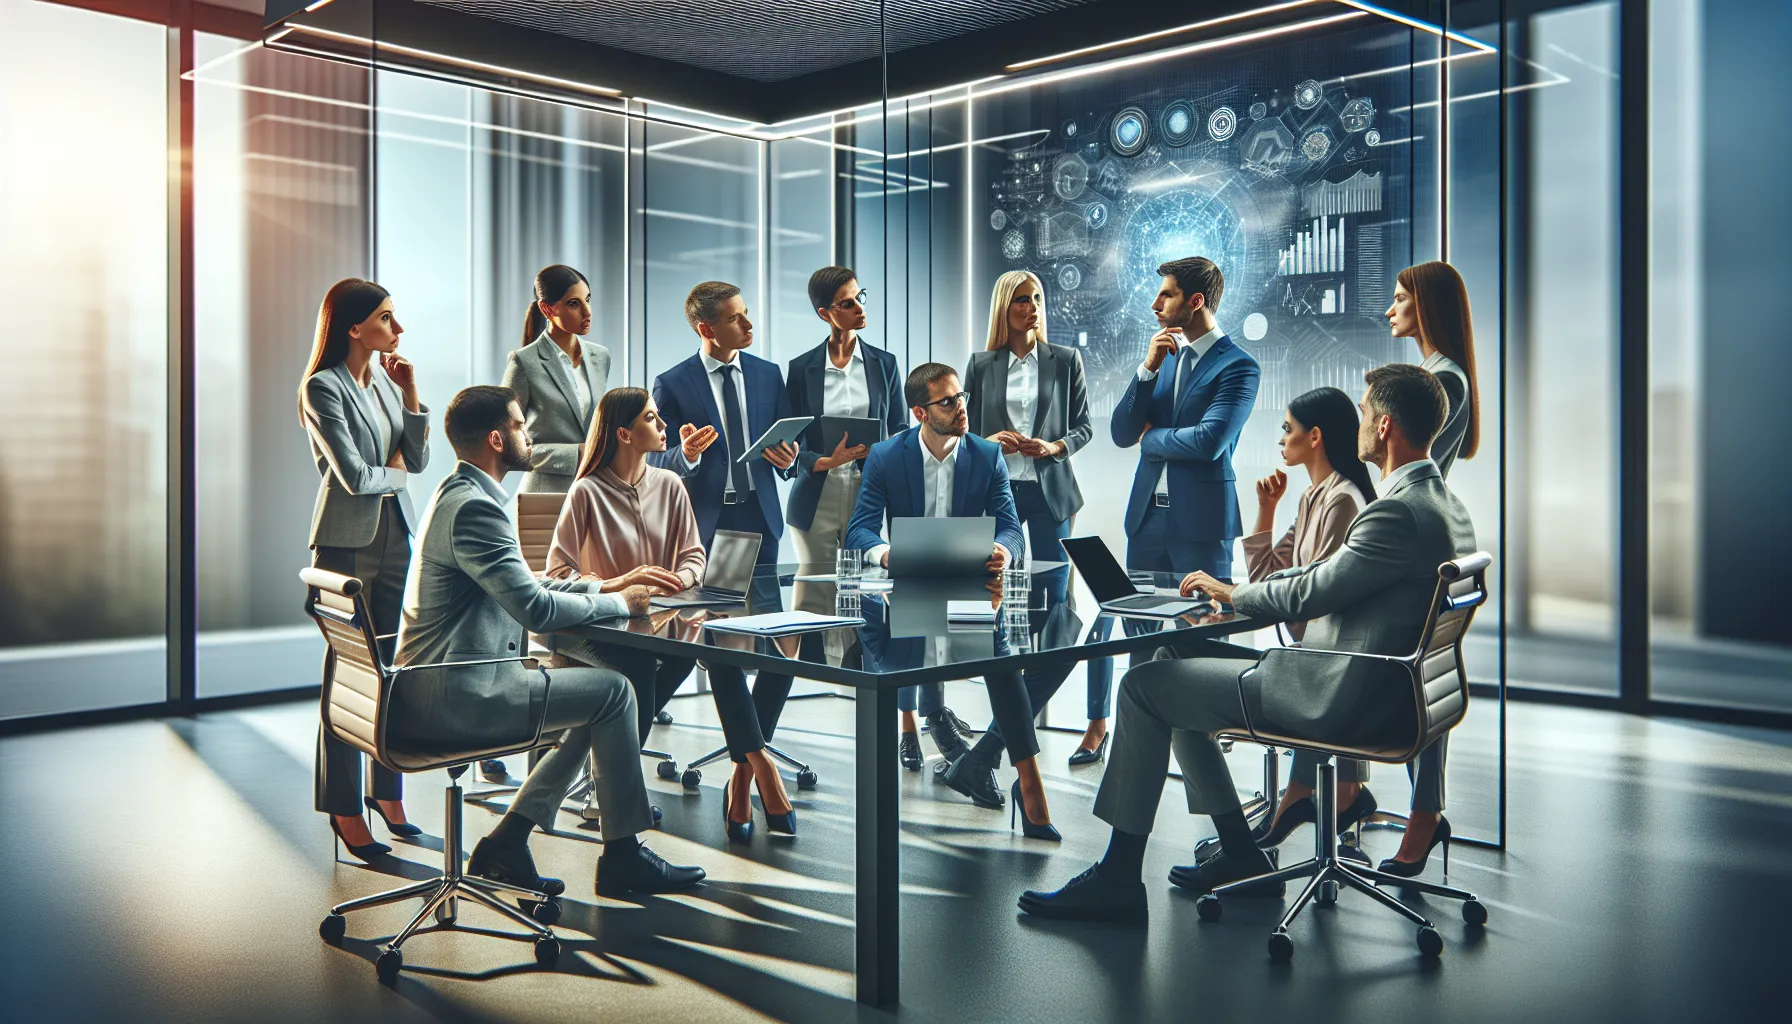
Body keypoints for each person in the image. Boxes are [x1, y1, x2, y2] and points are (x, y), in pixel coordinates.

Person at [1019, 364, 1473, 922]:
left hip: (1333, 691)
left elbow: (1313, 590)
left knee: (1141, 686)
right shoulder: (1445, 505)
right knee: (1171, 657)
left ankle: (1118, 877)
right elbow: (1314, 577)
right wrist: (1238, 591)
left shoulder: (1395, 512)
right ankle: (1241, 854)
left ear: (1383, 427)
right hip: (1370, 683)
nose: (1356, 425)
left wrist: (1234, 595)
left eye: (1362, 414)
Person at [393, 384, 705, 898]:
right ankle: (622, 856)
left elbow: (531, 583)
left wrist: (605, 585)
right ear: (496, 440)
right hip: (457, 694)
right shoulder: (476, 509)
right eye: (520, 425)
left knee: (601, 698)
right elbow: (535, 608)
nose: (529, 433)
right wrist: (623, 603)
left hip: (444, 682)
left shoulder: (464, 495)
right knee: (614, 692)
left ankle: (509, 840)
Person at [548, 387, 798, 841]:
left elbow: (694, 555)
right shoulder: (586, 492)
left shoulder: (670, 485)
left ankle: (748, 765)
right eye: (651, 418)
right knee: (643, 664)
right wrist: (618, 584)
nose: (663, 425)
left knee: (726, 646)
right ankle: (621, 791)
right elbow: (556, 572)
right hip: (600, 623)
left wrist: (681, 580)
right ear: (624, 433)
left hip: (665, 615)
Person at [843, 363, 1058, 836]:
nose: (961, 408)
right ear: (920, 411)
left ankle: (1028, 779)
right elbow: (860, 527)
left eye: (961, 398)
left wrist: (1004, 548)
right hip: (909, 582)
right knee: (898, 649)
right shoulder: (885, 455)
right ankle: (917, 742)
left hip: (967, 582)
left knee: (1008, 662)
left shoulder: (985, 454)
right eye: (948, 402)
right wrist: (886, 554)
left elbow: (1008, 521)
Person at [1083, 257, 1261, 767]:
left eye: (1165, 295)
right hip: (1146, 523)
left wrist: (1153, 440)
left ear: (1195, 301)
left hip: (1201, 528)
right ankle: (1140, 752)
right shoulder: (1163, 361)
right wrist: (1145, 371)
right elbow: (1120, 434)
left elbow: (1209, 442)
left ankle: (1202, 759)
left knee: (1198, 644)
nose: (1155, 304)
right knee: (1138, 640)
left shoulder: (1237, 366)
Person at [782, 269, 959, 770]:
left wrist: (880, 456)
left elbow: (905, 430)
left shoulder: (884, 364)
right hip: (817, 494)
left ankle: (900, 713)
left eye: (862, 297)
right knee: (814, 596)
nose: (861, 307)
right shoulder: (801, 369)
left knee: (887, 597)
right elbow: (791, 444)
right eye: (848, 302)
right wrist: (824, 458)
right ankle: (817, 691)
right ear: (826, 314)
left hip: (872, 492)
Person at [648, 280, 802, 830]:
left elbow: (787, 450)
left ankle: (742, 771)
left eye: (748, 315)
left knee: (783, 646)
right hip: (707, 529)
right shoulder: (672, 383)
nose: (749, 325)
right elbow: (653, 458)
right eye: (737, 318)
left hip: (758, 521)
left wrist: (787, 458)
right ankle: (760, 771)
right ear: (706, 328)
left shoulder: (766, 373)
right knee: (719, 646)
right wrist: (682, 454)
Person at [298, 278, 428, 861]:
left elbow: (418, 459)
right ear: (355, 327)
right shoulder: (322, 388)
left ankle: (388, 793)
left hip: (396, 536)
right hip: (347, 545)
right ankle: (345, 806)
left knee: (392, 667)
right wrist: (396, 469)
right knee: (349, 672)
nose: (396, 329)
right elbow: (353, 476)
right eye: (386, 318)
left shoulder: (380, 384)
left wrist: (411, 394)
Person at [965, 271, 1097, 763]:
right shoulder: (981, 365)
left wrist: (1054, 445)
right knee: (991, 599)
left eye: (1038, 298)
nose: (1032, 307)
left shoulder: (1066, 360)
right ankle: (1009, 722)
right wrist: (986, 442)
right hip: (998, 492)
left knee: (1057, 608)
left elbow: (1084, 426)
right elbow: (963, 433)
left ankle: (1016, 725)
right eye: (1022, 300)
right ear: (1005, 306)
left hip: (1051, 492)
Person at [1240, 387, 1380, 850]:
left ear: (1315, 436)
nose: (1282, 439)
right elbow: (1267, 577)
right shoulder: (1314, 496)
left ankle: (1305, 797)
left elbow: (1304, 600)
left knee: (1289, 672)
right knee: (1298, 663)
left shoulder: (1342, 500)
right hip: (1316, 650)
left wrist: (1235, 595)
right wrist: (1267, 508)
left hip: (1331, 656)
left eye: (1288, 429)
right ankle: (1331, 794)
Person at [503, 264, 613, 494]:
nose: (587, 311)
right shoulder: (523, 363)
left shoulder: (600, 357)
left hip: (595, 492)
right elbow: (505, 443)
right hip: (545, 496)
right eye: (574, 303)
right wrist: (576, 453)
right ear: (547, 309)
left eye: (588, 300)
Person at [1387, 261, 1480, 479]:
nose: (1389, 312)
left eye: (1400, 299)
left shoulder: (1445, 380)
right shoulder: (1433, 373)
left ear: (1427, 304)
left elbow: (1406, 459)